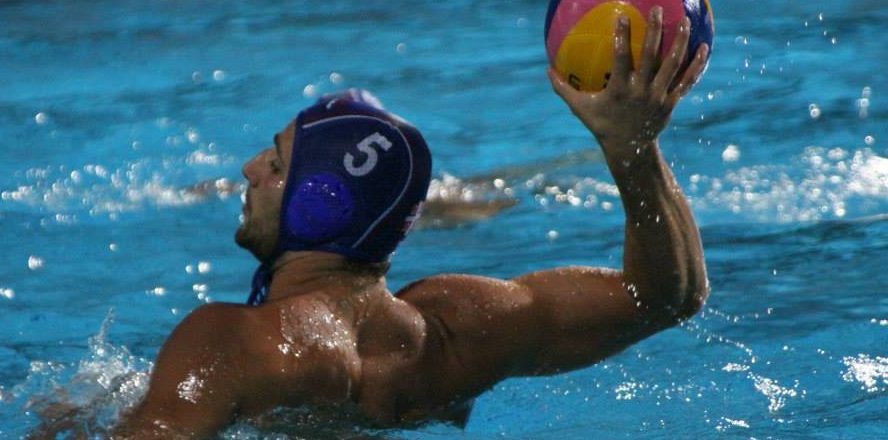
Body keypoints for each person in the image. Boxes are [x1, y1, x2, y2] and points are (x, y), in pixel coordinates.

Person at [108, 10, 710, 439]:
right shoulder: (456, 336)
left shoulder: (231, 343)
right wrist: (632, 151)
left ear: (321, 202)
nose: (248, 169)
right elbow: (666, 298)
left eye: (276, 164)